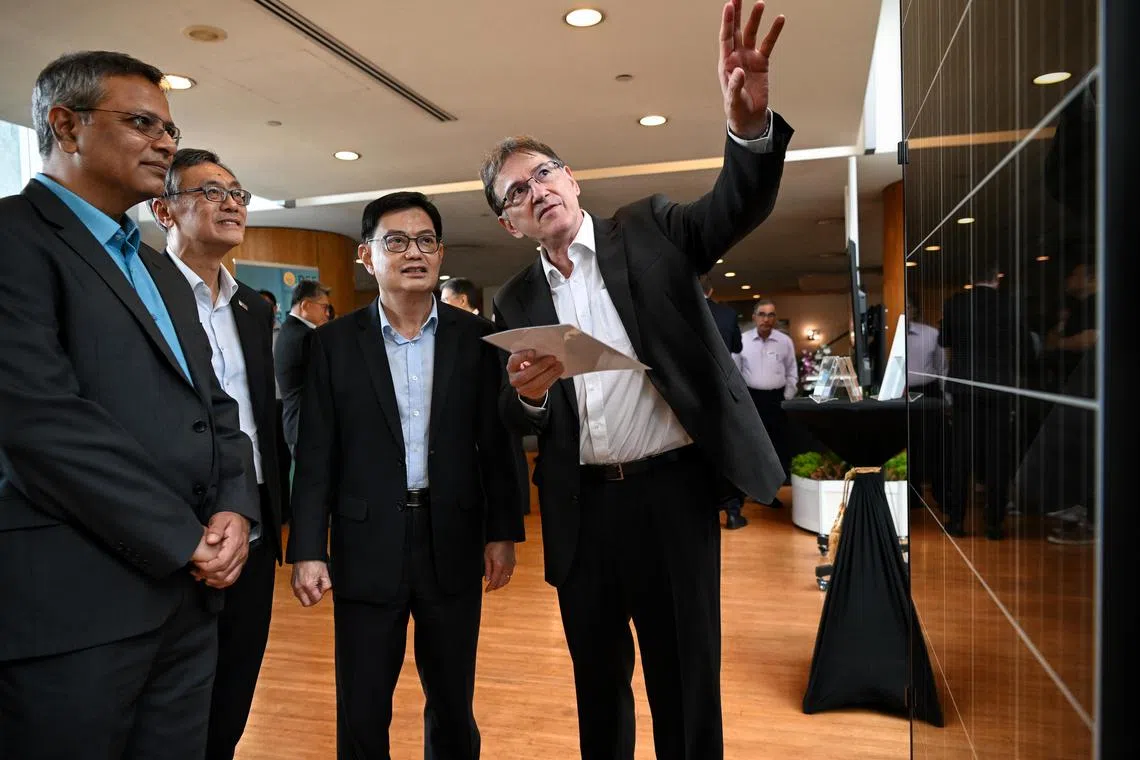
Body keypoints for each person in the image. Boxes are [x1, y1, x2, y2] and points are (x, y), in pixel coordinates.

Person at [481, 2, 790, 757]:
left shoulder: (649, 230)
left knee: (684, 675)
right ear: (509, 224)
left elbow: (730, 209)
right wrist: (526, 394)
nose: (537, 191)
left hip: (669, 493)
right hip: (582, 508)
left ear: (572, 179)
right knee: (597, 680)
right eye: (516, 193)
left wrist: (748, 131)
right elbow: (517, 414)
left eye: (544, 173)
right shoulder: (516, 300)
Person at [0, 51, 259, 759]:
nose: (167, 143)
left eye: (169, 128)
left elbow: (216, 407)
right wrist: (184, 539)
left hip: (188, 605)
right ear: (66, 125)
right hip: (76, 607)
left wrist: (236, 505)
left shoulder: (155, 267)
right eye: (141, 123)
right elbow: (41, 423)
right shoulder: (13, 239)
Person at [288, 191, 527, 759]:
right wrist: (307, 548)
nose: (413, 253)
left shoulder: (479, 339)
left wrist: (503, 533)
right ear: (368, 258)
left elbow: (496, 445)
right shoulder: (333, 345)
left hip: (454, 539)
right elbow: (316, 452)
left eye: (425, 241)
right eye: (395, 241)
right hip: (365, 543)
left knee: (452, 701)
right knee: (364, 705)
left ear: (440, 254)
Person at [151, 148, 288, 760]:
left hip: (252, 528)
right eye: (210, 192)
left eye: (238, 192)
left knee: (232, 698)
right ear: (163, 210)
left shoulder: (253, 308)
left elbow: (264, 421)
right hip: (172, 535)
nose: (232, 202)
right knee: (170, 710)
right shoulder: (140, 295)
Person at [734, 297, 797, 503]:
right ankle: (748, 489)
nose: (766, 319)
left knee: (775, 448)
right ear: (754, 317)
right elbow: (735, 373)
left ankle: (771, 493)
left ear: (775, 318)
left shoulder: (785, 341)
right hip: (752, 401)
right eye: (762, 314)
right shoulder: (742, 341)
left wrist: (785, 398)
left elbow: (792, 373)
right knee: (751, 446)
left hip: (776, 401)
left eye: (771, 315)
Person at [700, 275, 748, 528]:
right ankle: (731, 510)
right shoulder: (727, 314)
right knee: (727, 449)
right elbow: (738, 347)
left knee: (696, 452)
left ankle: (700, 507)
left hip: (688, 392)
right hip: (720, 391)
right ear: (711, 290)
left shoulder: (677, 309)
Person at [274, 278, 331, 453]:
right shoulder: (306, 336)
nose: (328, 313)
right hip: (308, 426)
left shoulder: (287, 330)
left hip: (296, 424)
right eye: (324, 307)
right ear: (305, 305)